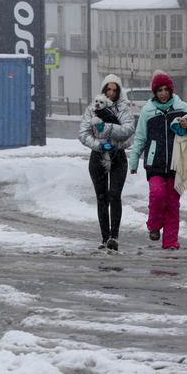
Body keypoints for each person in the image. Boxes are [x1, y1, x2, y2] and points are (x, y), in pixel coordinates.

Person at [128, 71, 187, 250]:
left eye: (166, 89)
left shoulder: (183, 108)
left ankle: (171, 242)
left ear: (171, 90)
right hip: (154, 164)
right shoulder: (147, 111)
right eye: (159, 90)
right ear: (154, 92)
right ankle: (154, 225)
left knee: (173, 203)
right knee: (157, 195)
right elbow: (140, 138)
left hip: (177, 163)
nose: (163, 93)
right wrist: (133, 162)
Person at [78, 74, 135, 251]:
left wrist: (111, 132)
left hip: (118, 156)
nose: (111, 93)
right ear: (103, 90)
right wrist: (99, 145)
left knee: (114, 194)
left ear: (119, 92)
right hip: (98, 156)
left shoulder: (124, 109)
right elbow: (83, 133)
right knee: (102, 198)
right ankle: (104, 238)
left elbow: (129, 132)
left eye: (114, 90)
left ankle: (114, 237)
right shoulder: (93, 108)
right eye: (108, 89)